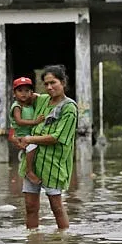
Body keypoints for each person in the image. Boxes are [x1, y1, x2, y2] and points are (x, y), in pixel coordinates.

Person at [15, 64, 78, 230]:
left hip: (54, 164)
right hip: (33, 163)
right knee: (30, 207)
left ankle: (63, 242)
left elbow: (57, 137)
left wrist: (29, 138)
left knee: (56, 207)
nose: (50, 87)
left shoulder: (69, 108)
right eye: (46, 84)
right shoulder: (42, 100)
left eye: (53, 82)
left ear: (63, 82)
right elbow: (24, 95)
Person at [7, 76, 44, 184]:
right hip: (22, 135)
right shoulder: (17, 106)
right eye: (20, 90)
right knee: (32, 147)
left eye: (27, 90)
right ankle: (29, 171)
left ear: (31, 92)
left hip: (30, 134)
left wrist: (35, 95)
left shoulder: (29, 104)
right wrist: (35, 122)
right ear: (14, 93)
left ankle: (31, 170)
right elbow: (19, 121)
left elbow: (41, 97)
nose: (23, 93)